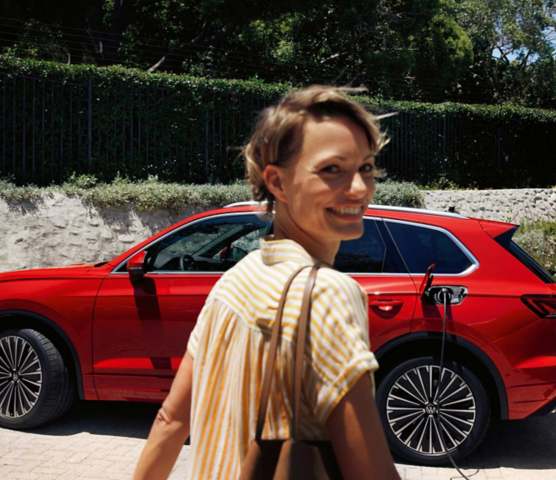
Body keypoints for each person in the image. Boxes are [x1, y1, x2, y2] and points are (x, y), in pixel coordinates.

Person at [133, 86, 401, 480]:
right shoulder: (329, 294)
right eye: (332, 170)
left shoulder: (234, 280)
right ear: (276, 182)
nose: (360, 188)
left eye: (366, 166)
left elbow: (170, 420)